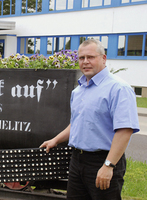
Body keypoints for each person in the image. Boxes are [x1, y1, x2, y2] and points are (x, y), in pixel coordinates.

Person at [40, 39, 140, 200]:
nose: (85, 62)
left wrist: (108, 166)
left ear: (103, 58)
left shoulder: (118, 88)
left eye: (91, 57)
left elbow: (125, 130)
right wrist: (56, 140)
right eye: (81, 58)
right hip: (77, 161)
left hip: (103, 161)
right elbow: (77, 123)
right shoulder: (79, 90)